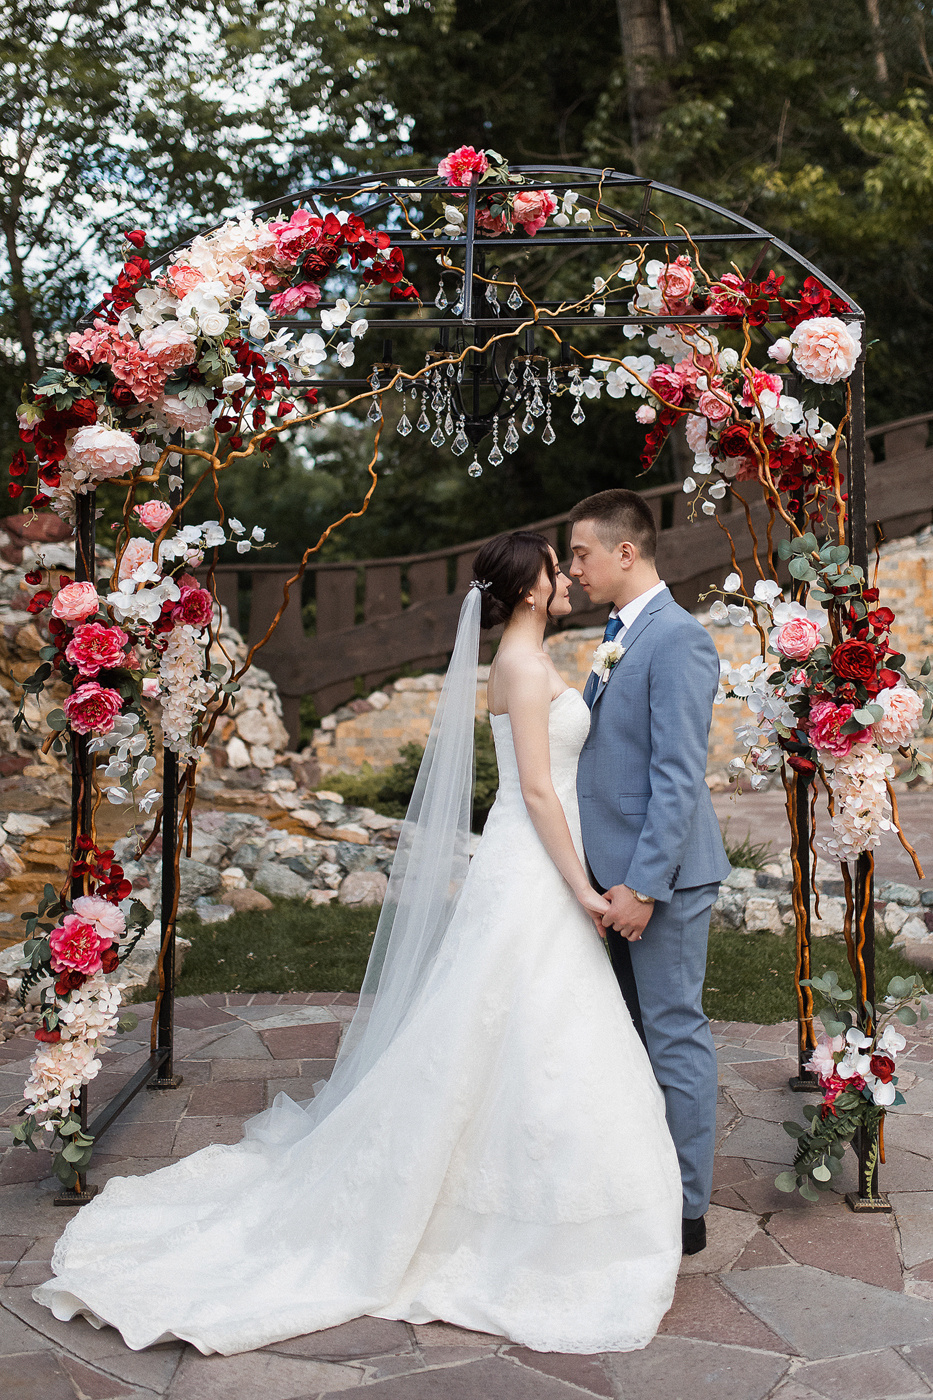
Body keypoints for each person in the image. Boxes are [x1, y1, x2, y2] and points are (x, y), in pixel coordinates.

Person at [33, 529, 682, 1357]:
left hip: (533, 861)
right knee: (521, 1018)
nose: (567, 578)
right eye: (557, 570)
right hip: (533, 863)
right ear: (529, 591)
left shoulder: (533, 660)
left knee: (520, 1022)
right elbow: (533, 791)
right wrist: (585, 887)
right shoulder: (521, 668)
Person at [569, 490, 731, 1257]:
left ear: (624, 552)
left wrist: (640, 887)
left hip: (658, 879)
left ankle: (686, 1210)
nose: (573, 569)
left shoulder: (677, 639)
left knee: (671, 1034)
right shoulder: (619, 633)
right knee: (633, 1036)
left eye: (581, 554)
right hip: (618, 877)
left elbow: (676, 777)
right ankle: (644, 1180)